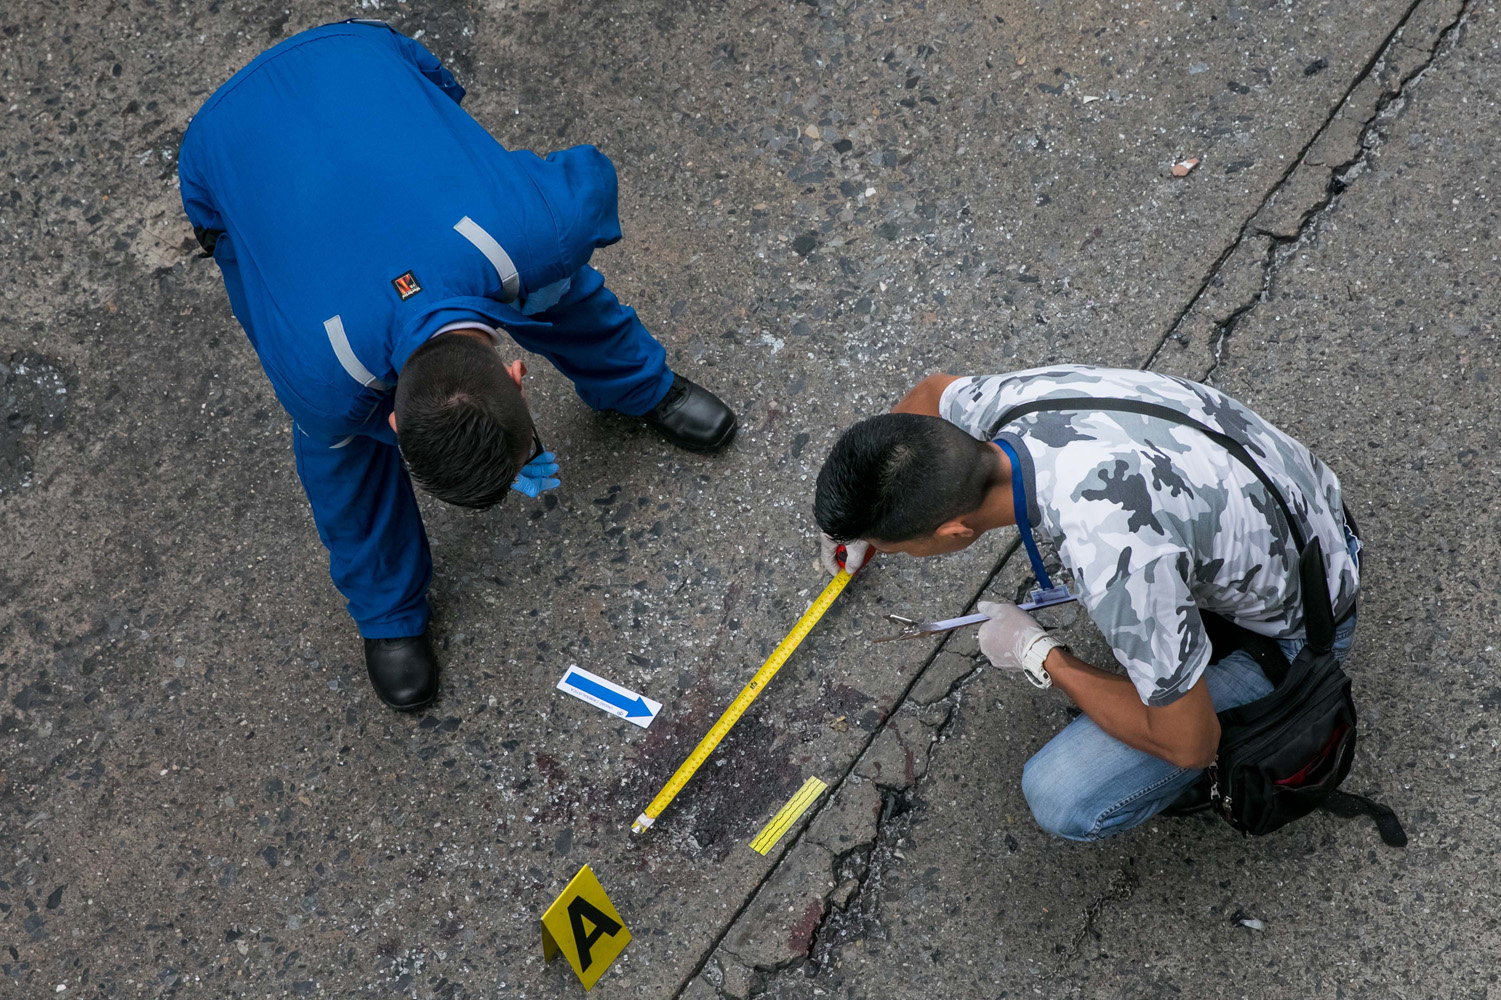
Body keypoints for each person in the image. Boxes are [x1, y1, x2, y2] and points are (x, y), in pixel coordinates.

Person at [178, 20, 736, 711]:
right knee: (341, 452)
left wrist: (535, 230)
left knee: (553, 280)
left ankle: (641, 387)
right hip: (218, 147)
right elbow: (266, 312)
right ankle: (388, 614)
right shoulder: (320, 385)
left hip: (363, 53)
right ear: (515, 376)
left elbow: (584, 183)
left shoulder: (537, 234)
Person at [814, 366, 1361, 841]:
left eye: (899, 549)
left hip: (1303, 623)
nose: (897, 555)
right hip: (1303, 508)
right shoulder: (1014, 402)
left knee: (1060, 795)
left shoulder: (1110, 555)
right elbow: (930, 395)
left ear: (955, 532)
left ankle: (1243, 750)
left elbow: (1190, 742)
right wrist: (866, 523)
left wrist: (1040, 653)